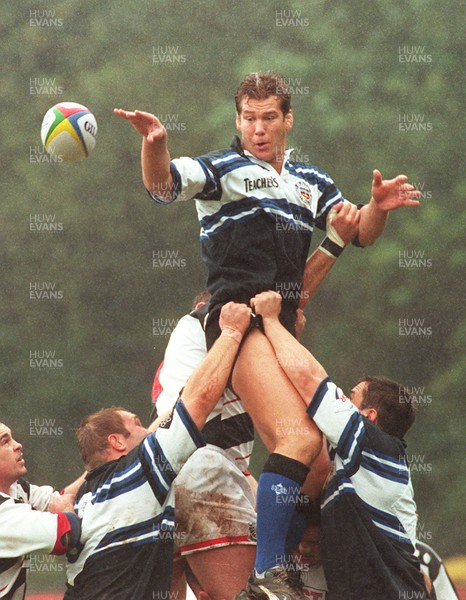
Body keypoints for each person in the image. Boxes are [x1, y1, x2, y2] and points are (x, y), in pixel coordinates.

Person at [114, 71, 420, 597]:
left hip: (276, 322)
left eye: (269, 118)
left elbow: (359, 233)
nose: (259, 129)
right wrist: (155, 146)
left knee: (321, 459)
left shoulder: (309, 180)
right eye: (249, 118)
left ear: (287, 120)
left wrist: (377, 208)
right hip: (235, 320)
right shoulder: (224, 168)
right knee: (300, 438)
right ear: (238, 121)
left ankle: (279, 561)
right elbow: (162, 185)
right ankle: (269, 571)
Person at [246, 290, 430, 599]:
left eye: (352, 396)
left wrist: (271, 320)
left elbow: (309, 379)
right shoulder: (365, 461)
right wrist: (292, 338)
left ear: (368, 416)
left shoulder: (374, 446)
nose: (343, 398)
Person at [64, 301, 252, 600]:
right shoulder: (141, 472)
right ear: (117, 442)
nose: (151, 428)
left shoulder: (87, 500)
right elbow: (199, 401)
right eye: (139, 424)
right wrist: (230, 332)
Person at [0, 421, 82, 600]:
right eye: (5, 442)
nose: (18, 445)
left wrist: (104, 462)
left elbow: (60, 500)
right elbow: (68, 533)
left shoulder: (16, 489)